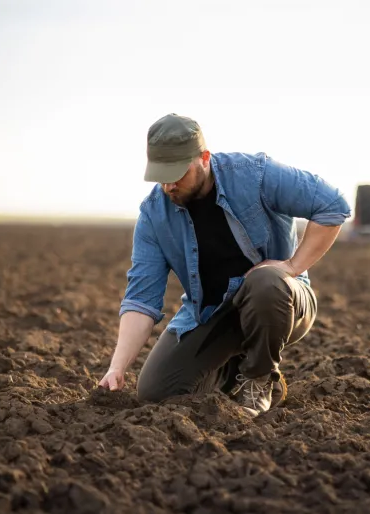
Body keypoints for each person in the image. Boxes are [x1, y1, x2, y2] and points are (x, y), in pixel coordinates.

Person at [98, 113, 351, 416]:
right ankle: (233, 375)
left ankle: (259, 380)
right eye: (160, 176)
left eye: (177, 174)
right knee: (156, 391)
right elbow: (141, 300)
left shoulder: (254, 175)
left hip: (282, 303)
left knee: (266, 282)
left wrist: (292, 267)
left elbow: (333, 205)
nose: (168, 186)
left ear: (204, 158)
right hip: (213, 315)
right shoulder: (154, 214)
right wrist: (117, 367)